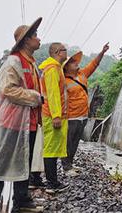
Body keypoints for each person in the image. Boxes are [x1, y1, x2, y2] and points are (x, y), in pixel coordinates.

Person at [0, 17, 44, 213]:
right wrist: (35, 97)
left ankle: (21, 201)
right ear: (26, 41)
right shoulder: (13, 62)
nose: (39, 39)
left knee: (24, 163)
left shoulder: (31, 62)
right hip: (12, 123)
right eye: (35, 36)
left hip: (28, 123)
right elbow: (8, 90)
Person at [61, 43, 109, 176]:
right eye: (72, 62)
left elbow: (93, 65)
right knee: (68, 143)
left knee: (75, 142)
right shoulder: (63, 81)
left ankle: (70, 163)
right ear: (66, 67)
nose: (76, 63)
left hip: (83, 116)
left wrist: (102, 52)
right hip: (71, 117)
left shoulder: (82, 75)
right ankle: (66, 167)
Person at [38, 42, 69, 193]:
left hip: (52, 115)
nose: (66, 52)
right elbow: (53, 94)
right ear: (58, 52)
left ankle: (50, 180)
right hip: (51, 115)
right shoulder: (52, 69)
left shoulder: (56, 68)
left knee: (52, 148)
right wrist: (56, 115)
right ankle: (52, 183)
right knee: (50, 149)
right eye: (65, 50)